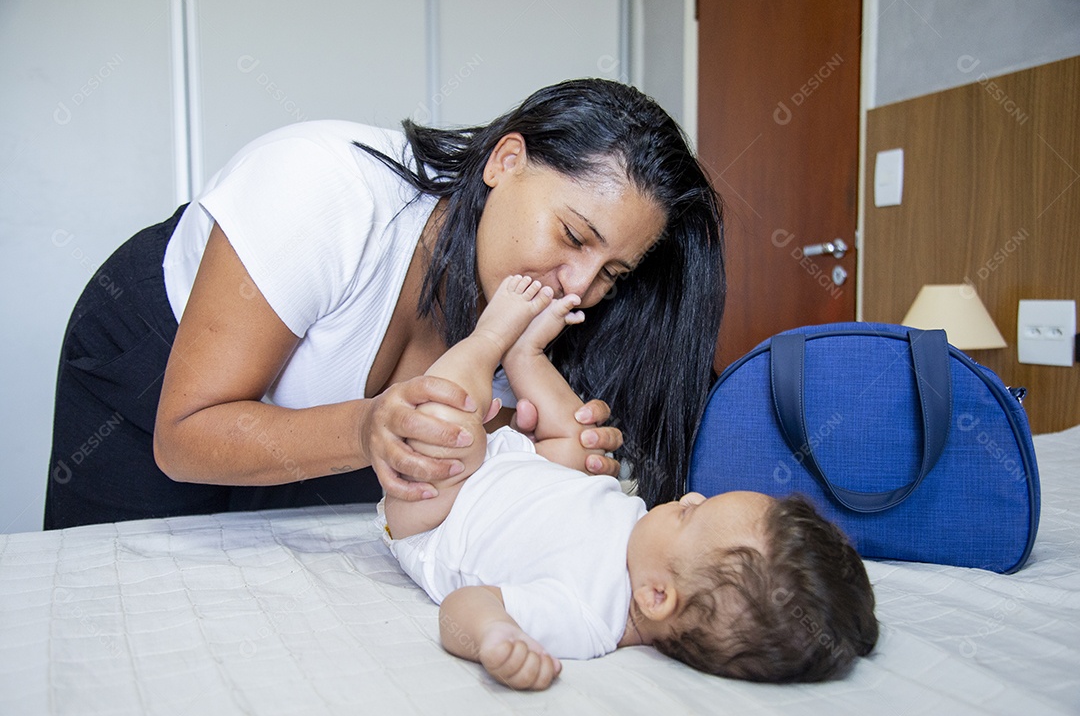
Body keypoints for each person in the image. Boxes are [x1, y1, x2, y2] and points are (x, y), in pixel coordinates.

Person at [45, 78, 725, 530]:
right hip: (160, 366)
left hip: (332, 430)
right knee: (122, 592)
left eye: (612, 273)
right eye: (573, 236)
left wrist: (554, 450)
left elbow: (464, 482)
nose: (578, 287)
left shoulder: (543, 319)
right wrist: (368, 427)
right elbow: (184, 439)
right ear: (505, 161)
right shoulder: (320, 190)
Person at [379, 274, 878, 690]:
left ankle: (489, 338)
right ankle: (526, 354)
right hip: (516, 469)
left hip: (436, 513)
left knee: (446, 429)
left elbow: (465, 605)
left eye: (689, 515)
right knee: (583, 443)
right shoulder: (646, 550)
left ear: (656, 597)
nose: (690, 496)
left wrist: (496, 636)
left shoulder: (585, 615)